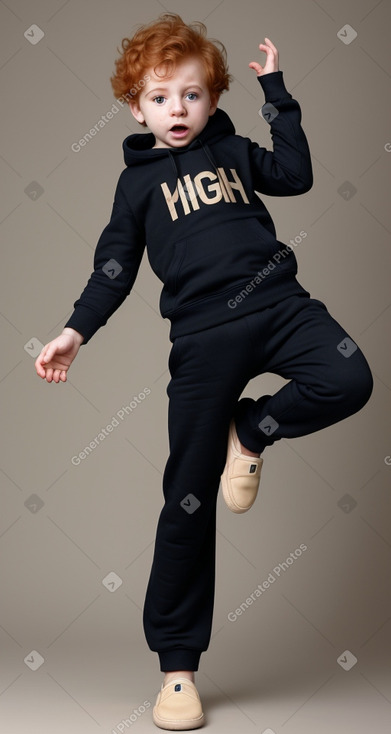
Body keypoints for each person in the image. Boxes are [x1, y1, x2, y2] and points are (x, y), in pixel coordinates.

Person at [35, 13, 373, 730]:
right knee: (185, 499)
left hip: (280, 305)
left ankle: (248, 429)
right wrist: (74, 331)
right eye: (160, 98)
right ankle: (178, 670)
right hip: (201, 342)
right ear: (136, 107)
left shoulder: (237, 151)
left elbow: (297, 173)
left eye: (191, 95)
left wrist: (276, 92)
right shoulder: (135, 189)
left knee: (348, 379)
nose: (177, 110)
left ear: (212, 100)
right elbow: (113, 271)